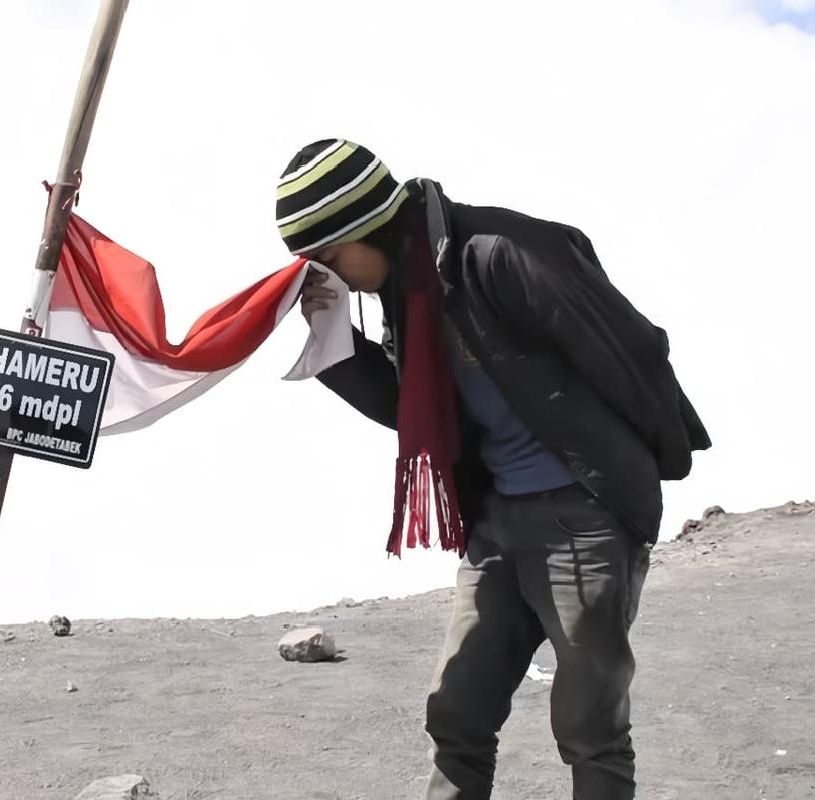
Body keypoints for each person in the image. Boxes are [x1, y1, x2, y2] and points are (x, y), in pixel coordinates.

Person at [277, 139, 711, 800]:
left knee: (589, 724)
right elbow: (414, 411)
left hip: (583, 518)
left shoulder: (500, 252)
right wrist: (335, 340)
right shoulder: (408, 287)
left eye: (329, 259)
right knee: (457, 711)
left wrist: (633, 484)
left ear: (366, 226)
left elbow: (632, 349)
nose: (326, 275)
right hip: (498, 519)